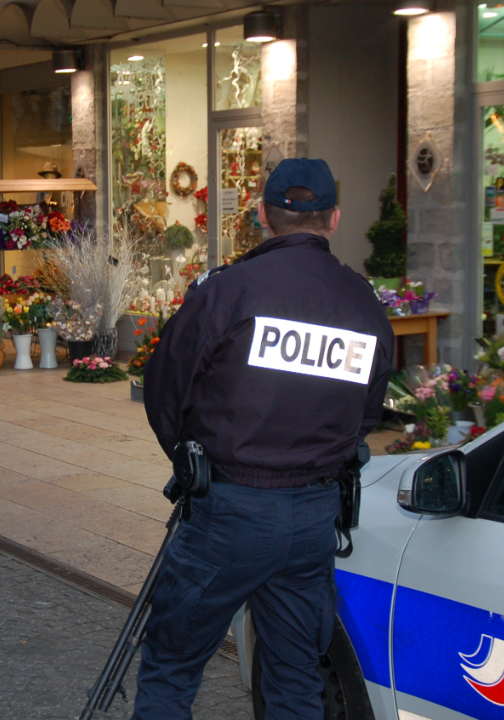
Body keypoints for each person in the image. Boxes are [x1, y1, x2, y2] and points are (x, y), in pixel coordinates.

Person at [139, 158, 395, 720]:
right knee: (295, 679)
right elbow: (368, 412)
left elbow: (163, 389)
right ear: (334, 219)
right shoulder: (362, 302)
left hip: (226, 512)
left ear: (261, 215)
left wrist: (192, 456)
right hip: (312, 518)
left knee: (171, 668)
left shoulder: (227, 291)